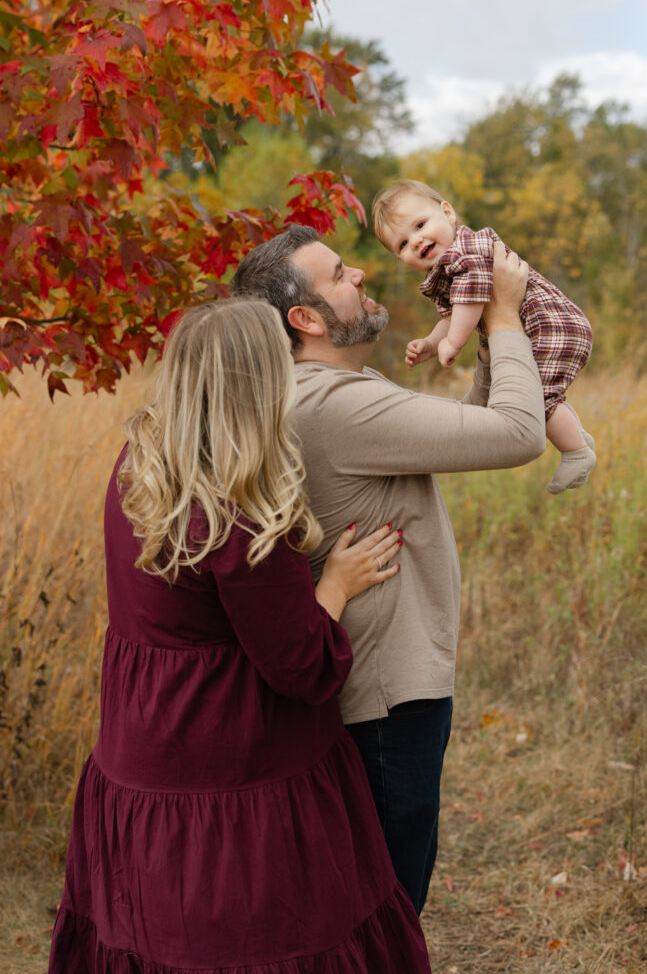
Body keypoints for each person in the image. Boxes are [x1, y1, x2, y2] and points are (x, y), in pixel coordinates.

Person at [48, 298, 432, 973]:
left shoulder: (141, 465)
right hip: (236, 763)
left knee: (158, 933)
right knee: (261, 942)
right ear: (261, 385)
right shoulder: (243, 512)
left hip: (143, 747)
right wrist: (336, 585)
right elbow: (303, 667)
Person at [230, 228, 547, 914]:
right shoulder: (336, 405)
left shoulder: (329, 390)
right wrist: (501, 313)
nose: (363, 275)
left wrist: (492, 340)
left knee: (366, 902)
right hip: (382, 700)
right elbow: (519, 434)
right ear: (307, 319)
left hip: (377, 688)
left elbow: (472, 430)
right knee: (385, 909)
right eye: (341, 274)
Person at [371, 179, 596, 495]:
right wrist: (432, 344)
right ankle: (577, 438)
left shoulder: (467, 250)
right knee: (545, 393)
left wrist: (454, 342)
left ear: (447, 212)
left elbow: (472, 298)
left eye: (420, 224)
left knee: (538, 399)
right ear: (399, 258)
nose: (417, 240)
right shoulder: (446, 270)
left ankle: (576, 451)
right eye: (403, 244)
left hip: (550, 326)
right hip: (543, 327)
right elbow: (450, 317)